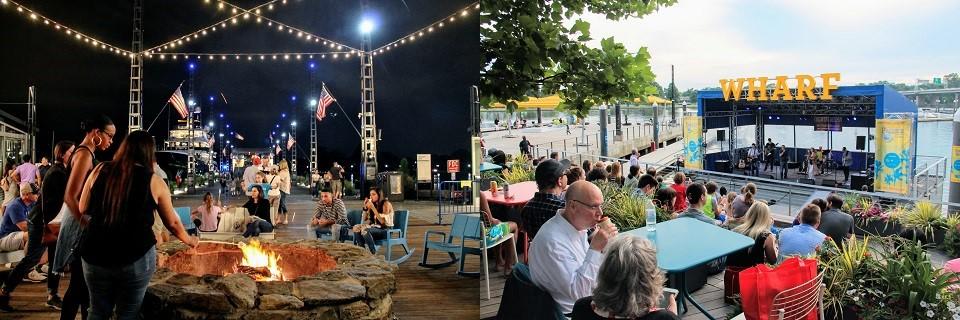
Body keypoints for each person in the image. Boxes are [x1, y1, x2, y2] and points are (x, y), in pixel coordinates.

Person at [77, 130, 198, 320]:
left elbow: (83, 207)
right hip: (135, 256)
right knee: (128, 312)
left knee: (98, 311)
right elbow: (173, 223)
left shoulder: (100, 169)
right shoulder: (154, 181)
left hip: (95, 253)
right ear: (148, 153)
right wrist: (190, 240)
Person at [54, 114, 116, 320]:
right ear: (96, 133)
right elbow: (70, 196)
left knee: (83, 287)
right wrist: (85, 223)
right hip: (80, 224)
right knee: (80, 286)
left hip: (82, 221)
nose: (111, 141)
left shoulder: (86, 153)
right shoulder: (84, 155)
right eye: (109, 136)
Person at [0, 141, 74, 312]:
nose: (74, 155)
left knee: (55, 259)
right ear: (62, 154)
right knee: (31, 259)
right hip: (42, 223)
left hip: (52, 222)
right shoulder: (57, 173)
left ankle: (52, 296)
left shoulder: (61, 171)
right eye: (71, 152)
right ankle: (4, 292)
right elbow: (58, 200)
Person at [529, 181, 618, 314]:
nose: (600, 212)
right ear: (573, 206)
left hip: (584, 299)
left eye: (600, 206)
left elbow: (584, 268)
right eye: (594, 206)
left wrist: (603, 248)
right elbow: (579, 293)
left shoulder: (576, 227)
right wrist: (595, 249)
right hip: (571, 312)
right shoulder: (553, 242)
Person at [570, 236, 679, 320]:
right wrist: (672, 315)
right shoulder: (662, 318)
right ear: (651, 279)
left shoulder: (582, 307)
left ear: (605, 272)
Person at [519, 159, 568, 239]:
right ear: (559, 181)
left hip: (538, 250)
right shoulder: (564, 209)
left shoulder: (527, 208)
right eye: (565, 174)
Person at [727, 202, 779, 268]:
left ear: (750, 213)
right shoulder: (766, 236)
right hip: (752, 276)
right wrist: (776, 249)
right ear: (766, 217)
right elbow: (772, 261)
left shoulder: (736, 230)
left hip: (732, 274)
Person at [479, 191, 518, 276]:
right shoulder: (479, 194)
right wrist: (496, 221)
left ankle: (499, 261)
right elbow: (490, 221)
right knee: (513, 226)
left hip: (470, 238)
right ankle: (508, 267)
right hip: (485, 238)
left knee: (498, 226)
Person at [354, 187, 395, 254]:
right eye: (370, 195)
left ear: (379, 195)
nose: (371, 196)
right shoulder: (374, 204)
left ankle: (373, 253)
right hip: (375, 229)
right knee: (356, 228)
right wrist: (365, 207)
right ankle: (363, 253)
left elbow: (382, 222)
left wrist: (373, 208)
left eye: (373, 194)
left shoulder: (386, 204)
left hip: (386, 230)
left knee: (365, 230)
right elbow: (364, 219)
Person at [276, 160, 292, 225]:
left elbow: (279, 179)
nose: (279, 166)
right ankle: (279, 219)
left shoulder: (284, 171)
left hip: (282, 189)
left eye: (280, 164)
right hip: (282, 189)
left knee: (282, 204)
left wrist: (276, 173)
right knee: (280, 204)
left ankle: (285, 219)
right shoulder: (286, 171)